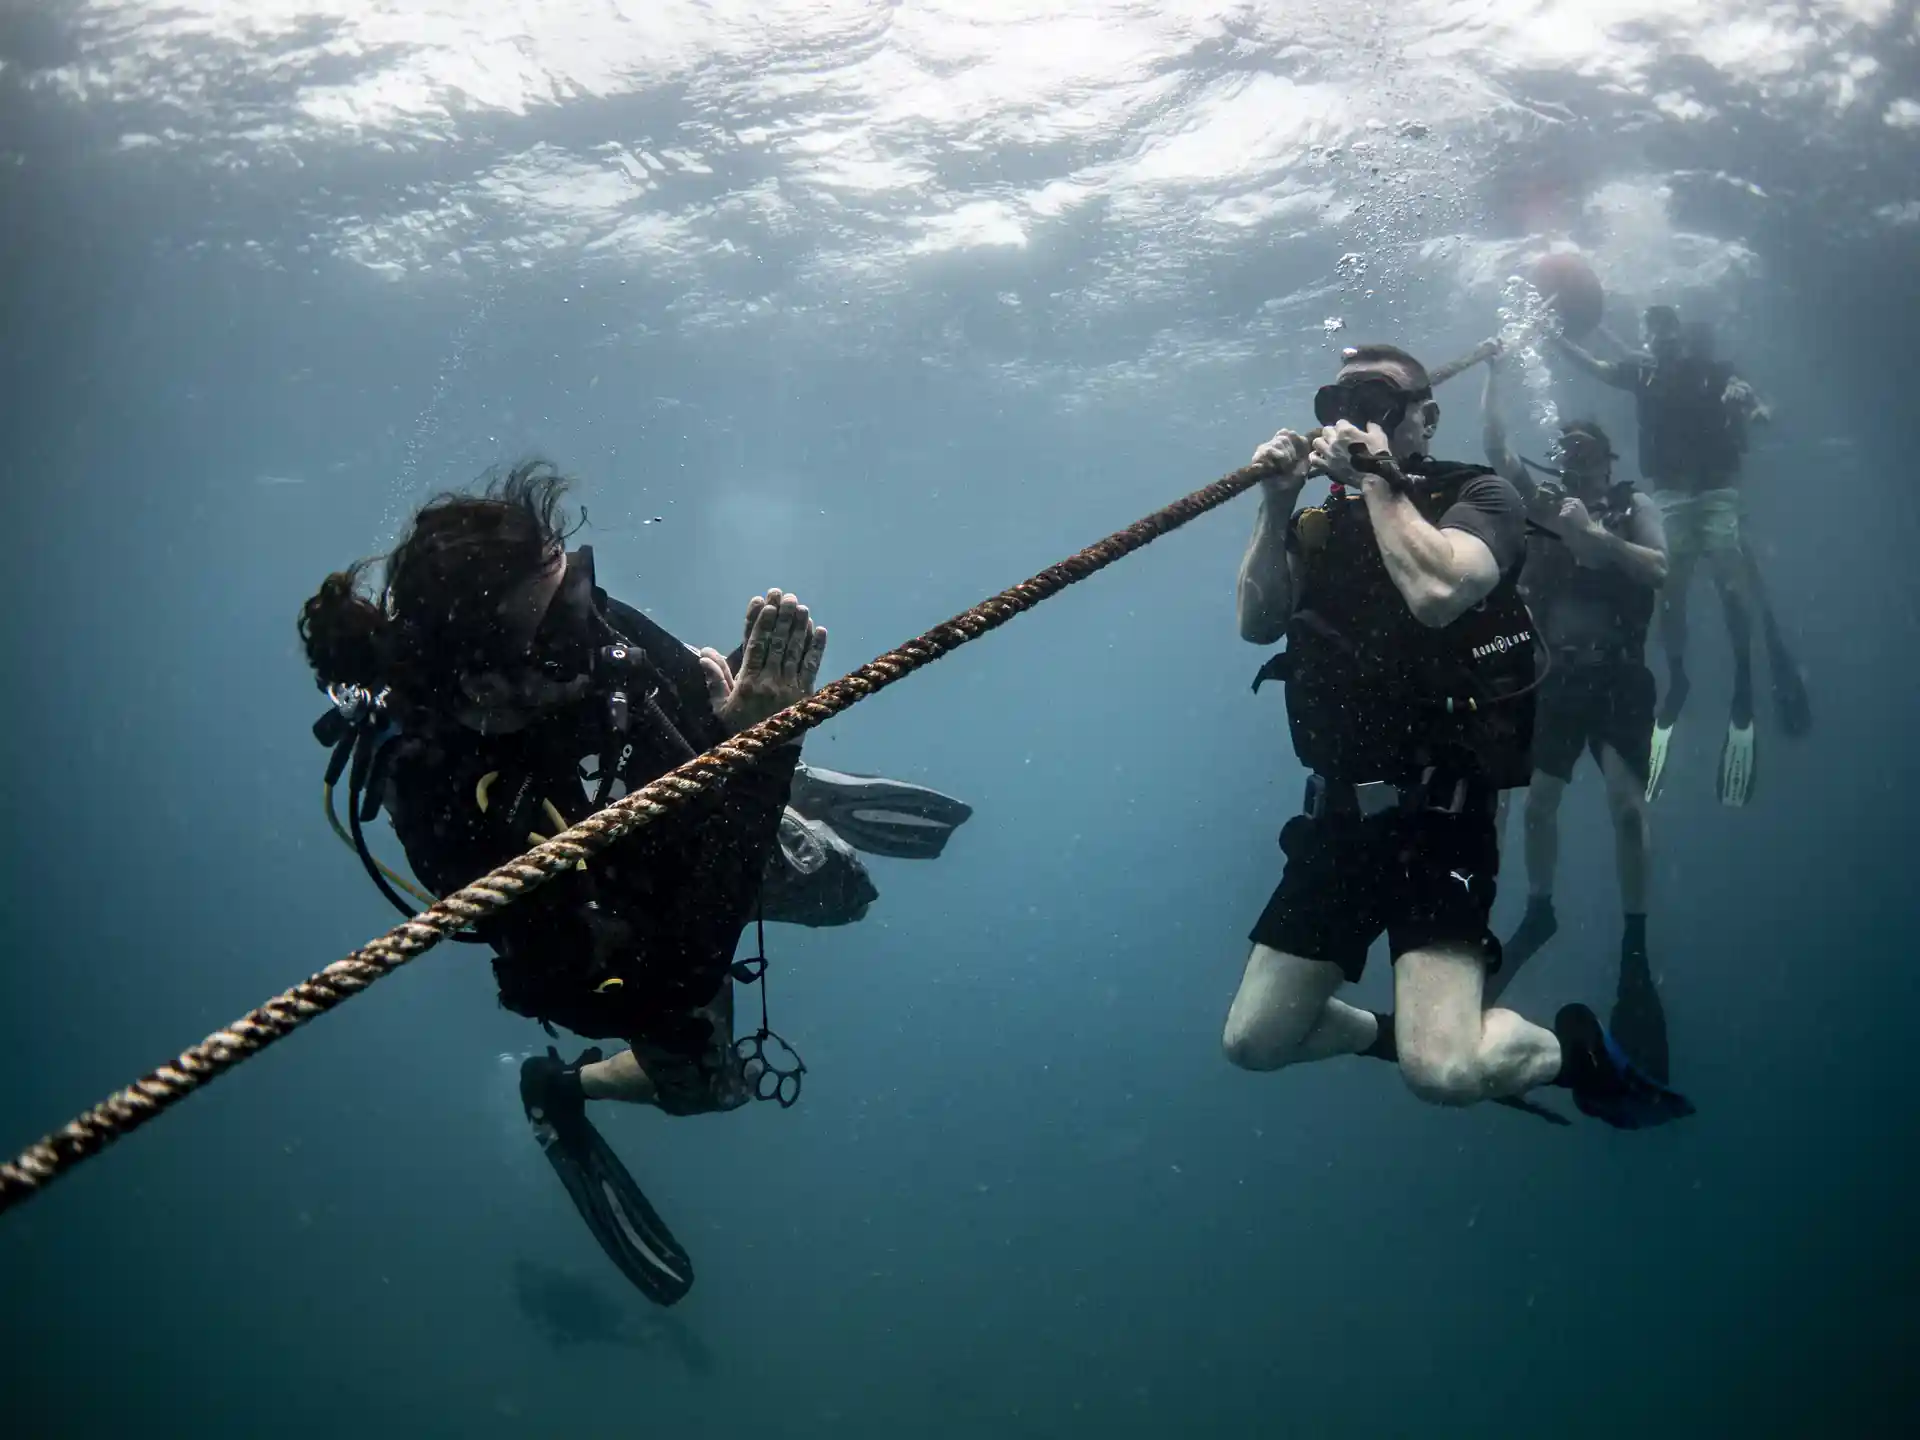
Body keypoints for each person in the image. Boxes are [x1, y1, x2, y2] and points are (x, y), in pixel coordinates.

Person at [298, 463, 970, 1305]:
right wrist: (763, 758)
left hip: (683, 802)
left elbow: (672, 693)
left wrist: (741, 736)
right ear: (483, 680)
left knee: (843, 889)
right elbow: (667, 979)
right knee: (713, 1089)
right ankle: (558, 1090)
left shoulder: (581, 637)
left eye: (576, 581)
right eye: (561, 617)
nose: (594, 618)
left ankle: (779, 774)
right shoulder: (452, 811)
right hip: (632, 938)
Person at [1222, 343, 1692, 1129]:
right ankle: (1399, 1034)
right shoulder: (1318, 521)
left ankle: (1572, 1056)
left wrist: (1376, 478)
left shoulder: (1479, 493)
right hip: (1339, 820)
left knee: (1444, 1077)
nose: (1356, 416)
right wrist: (1274, 505)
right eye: (1343, 400)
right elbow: (1256, 621)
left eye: (1379, 399)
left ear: (1425, 417)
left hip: (1443, 823)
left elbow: (1441, 590)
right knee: (1254, 1041)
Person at [1480, 357, 1673, 1082]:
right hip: (1557, 677)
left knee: (1628, 813)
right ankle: (1539, 909)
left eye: (1589, 457)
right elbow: (1499, 451)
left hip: (1621, 677)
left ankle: (1634, 941)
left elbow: (1657, 569)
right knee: (1540, 807)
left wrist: (1596, 535)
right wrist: (1498, 375)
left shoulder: (1631, 506)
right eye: (1569, 457)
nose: (1578, 469)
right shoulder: (1545, 507)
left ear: (1607, 465)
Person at [1553, 306, 1808, 806]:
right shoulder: (1641, 373)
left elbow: (1762, 411)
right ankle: (1680, 677)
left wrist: (1750, 407)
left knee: (1732, 586)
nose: (1661, 337)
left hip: (1716, 495)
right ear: (1647, 337)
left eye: (1668, 328)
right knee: (1669, 594)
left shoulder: (1714, 373)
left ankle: (1740, 676)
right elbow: (1595, 367)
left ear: (1679, 334)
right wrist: (1554, 337)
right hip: (1670, 497)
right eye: (1653, 330)